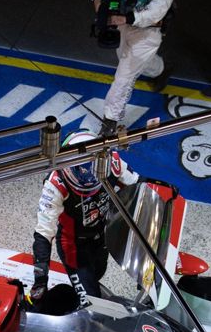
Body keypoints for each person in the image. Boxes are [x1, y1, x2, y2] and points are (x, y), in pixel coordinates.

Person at [32, 130, 140, 303]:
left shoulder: (113, 162)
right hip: (74, 246)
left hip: (102, 239)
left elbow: (138, 185)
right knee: (91, 302)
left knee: (97, 274)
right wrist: (40, 279)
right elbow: (43, 233)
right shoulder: (55, 183)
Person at [88, 0, 178, 134]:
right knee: (131, 62)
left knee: (124, 76)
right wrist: (98, 2)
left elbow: (159, 8)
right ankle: (161, 68)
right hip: (122, 24)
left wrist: (127, 18)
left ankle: (110, 122)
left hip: (148, 31)